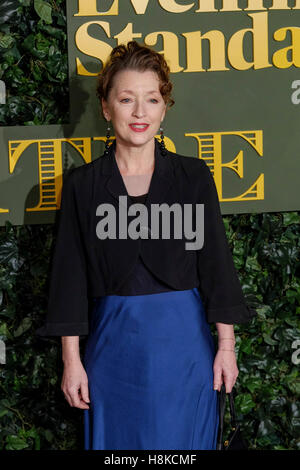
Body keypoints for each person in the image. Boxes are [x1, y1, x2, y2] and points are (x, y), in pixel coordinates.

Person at [36, 40, 256, 450]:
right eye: (127, 99)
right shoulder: (83, 186)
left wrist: (226, 347)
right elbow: (70, 280)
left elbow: (216, 266)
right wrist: (71, 361)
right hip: (112, 353)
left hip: (185, 353)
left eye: (152, 99)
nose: (140, 113)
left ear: (164, 108)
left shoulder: (192, 176)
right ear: (106, 107)